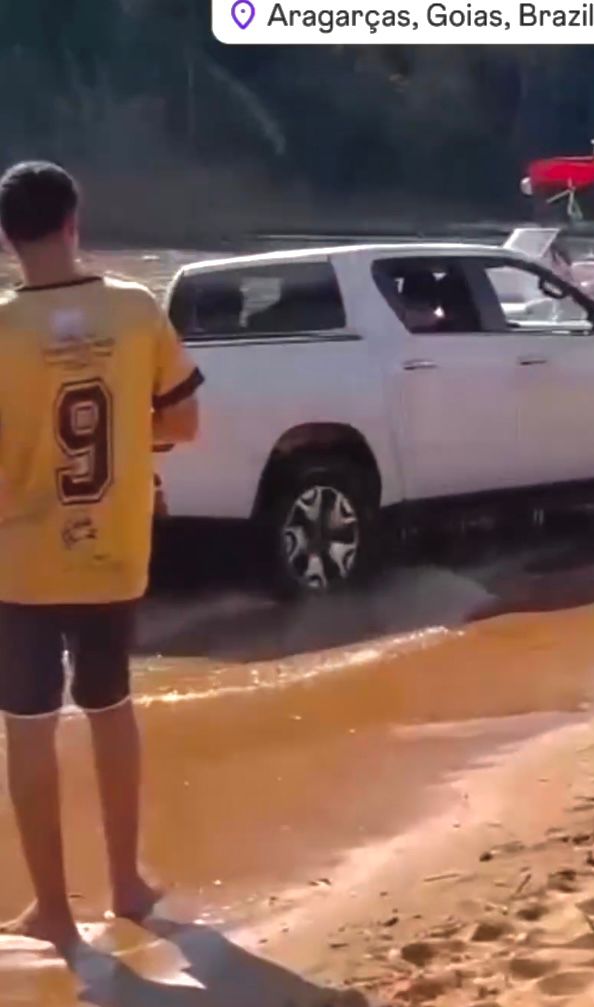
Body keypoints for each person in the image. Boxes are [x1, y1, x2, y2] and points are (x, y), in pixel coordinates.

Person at [0, 161, 203, 948]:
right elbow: (185, 425)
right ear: (74, 222)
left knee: (28, 727)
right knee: (111, 706)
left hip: (21, 563)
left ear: (8, 238)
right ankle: (126, 883)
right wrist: (131, 444)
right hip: (116, 551)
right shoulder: (133, 307)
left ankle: (53, 908)